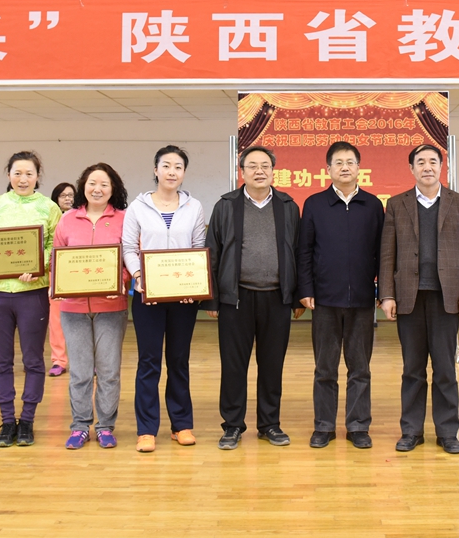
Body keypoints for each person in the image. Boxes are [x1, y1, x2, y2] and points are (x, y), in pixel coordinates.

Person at [204, 145, 304, 451]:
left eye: (265, 166)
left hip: (276, 298)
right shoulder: (226, 205)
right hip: (236, 299)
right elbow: (212, 252)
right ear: (242, 172)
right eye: (252, 166)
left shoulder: (288, 206)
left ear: (273, 171)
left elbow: (298, 252)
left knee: (272, 365)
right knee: (233, 366)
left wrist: (296, 298)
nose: (259, 171)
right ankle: (232, 425)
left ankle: (269, 424)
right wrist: (212, 299)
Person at [379, 144, 459, 455]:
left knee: (445, 368)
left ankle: (448, 432)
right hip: (409, 296)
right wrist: (387, 295)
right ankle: (411, 431)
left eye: (433, 161)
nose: (427, 167)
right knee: (412, 368)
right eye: (420, 162)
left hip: (446, 297)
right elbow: (387, 253)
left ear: (441, 167)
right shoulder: (397, 204)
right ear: (411, 169)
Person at [297, 141, 384, 449]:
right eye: (338, 162)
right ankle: (323, 426)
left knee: (360, 368)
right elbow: (304, 251)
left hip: (362, 300)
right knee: (325, 368)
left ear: (359, 168)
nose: (345, 167)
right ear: (328, 169)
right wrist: (305, 289)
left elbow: (383, 253)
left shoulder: (372, 205)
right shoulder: (314, 204)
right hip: (324, 300)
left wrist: (383, 292)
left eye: (350, 162)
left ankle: (358, 426)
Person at [122, 146, 207, 454]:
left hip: (184, 297)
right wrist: (139, 276)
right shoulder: (138, 207)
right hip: (148, 296)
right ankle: (146, 429)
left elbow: (198, 247)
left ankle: (181, 424)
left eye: (178, 167)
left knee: (179, 359)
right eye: (167, 165)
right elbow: (128, 247)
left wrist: (194, 285)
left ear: (184, 173)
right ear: (155, 170)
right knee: (149, 361)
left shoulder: (194, 206)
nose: (172, 171)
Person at [0, 151, 62, 447]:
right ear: (8, 175)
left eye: (29, 173)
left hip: (32, 293)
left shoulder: (49, 207)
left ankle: (27, 420)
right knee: (0, 361)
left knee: (33, 360)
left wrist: (38, 265)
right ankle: (6, 421)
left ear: (38, 176)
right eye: (17, 173)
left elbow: (55, 246)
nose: (23, 179)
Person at [55, 164, 130, 450]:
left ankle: (106, 426)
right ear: (82, 186)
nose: (97, 189)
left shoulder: (124, 219)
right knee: (81, 372)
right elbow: (57, 260)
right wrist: (57, 284)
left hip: (111, 307)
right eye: (91, 183)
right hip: (72, 308)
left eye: (104, 184)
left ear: (113, 189)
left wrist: (121, 281)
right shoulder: (67, 220)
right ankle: (79, 426)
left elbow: (130, 258)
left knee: (109, 371)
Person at [46, 182, 76, 377]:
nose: (68, 199)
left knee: (83, 319)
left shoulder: (80, 217)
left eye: (71, 195)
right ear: (55, 198)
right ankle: (58, 360)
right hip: (55, 272)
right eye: (63, 195)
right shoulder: (50, 217)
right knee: (56, 319)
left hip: (78, 272)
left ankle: (88, 361)